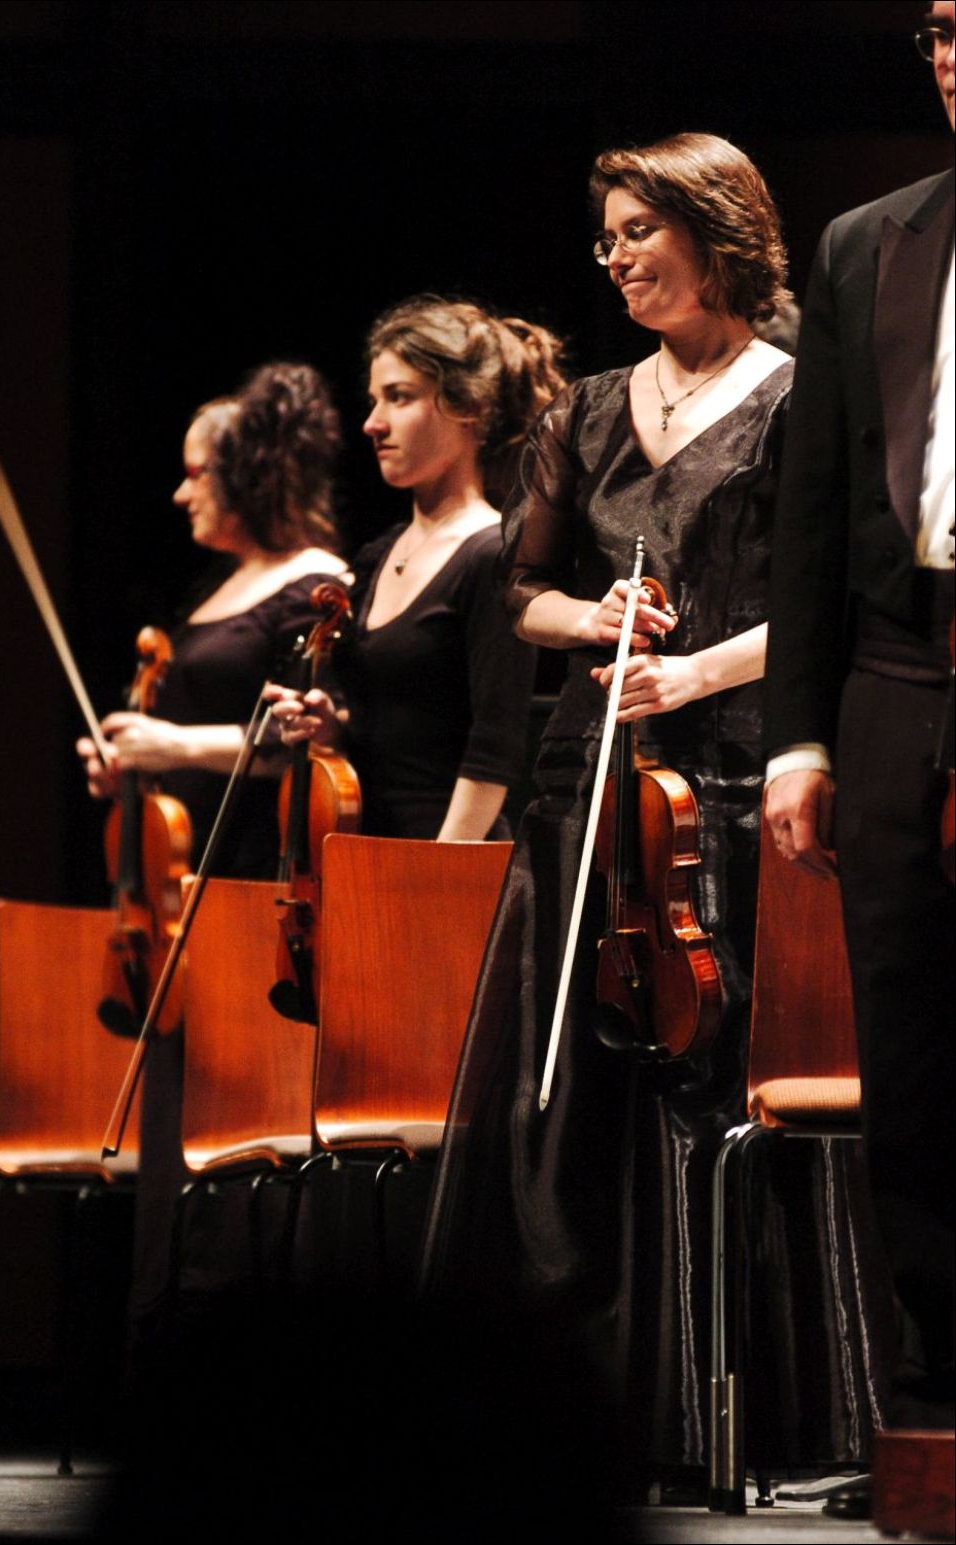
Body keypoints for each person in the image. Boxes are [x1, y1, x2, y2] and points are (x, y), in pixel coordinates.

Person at [419, 133, 884, 1495]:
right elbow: (523, 597)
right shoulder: (585, 411)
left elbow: (829, 602)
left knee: (712, 1084)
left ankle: (735, 1416)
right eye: (607, 237)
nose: (616, 257)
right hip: (590, 786)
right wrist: (596, 618)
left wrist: (694, 671)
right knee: (565, 1095)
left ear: (714, 231)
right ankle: (568, 1421)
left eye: (639, 230)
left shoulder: (796, 394)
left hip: (729, 784)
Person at [764, 0, 954, 1454]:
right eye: (940, 31)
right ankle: (939, 1399)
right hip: (899, 673)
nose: (953, 58)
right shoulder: (864, 241)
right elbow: (815, 512)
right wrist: (799, 738)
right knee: (911, 1039)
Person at [77, 360, 346, 1340]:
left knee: (235, 1130)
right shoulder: (217, 586)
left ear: (252, 474)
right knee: (172, 1130)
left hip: (250, 886)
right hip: (180, 896)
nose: (180, 491)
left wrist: (169, 744)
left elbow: (298, 746)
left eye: (198, 472)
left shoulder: (314, 584)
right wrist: (127, 762)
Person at [266, 297, 565, 840]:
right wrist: (334, 728)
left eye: (399, 397)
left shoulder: (492, 554)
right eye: (374, 400)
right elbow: (399, 727)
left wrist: (437, 871)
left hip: (446, 858)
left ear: (468, 406)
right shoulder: (379, 556)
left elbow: (494, 749)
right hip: (364, 854)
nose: (372, 424)